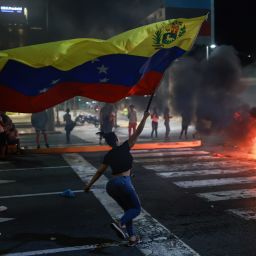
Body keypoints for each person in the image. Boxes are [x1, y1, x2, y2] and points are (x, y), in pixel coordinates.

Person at [84, 111, 150, 246]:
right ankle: (120, 224)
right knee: (136, 209)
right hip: (123, 183)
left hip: (111, 185)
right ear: (117, 140)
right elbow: (138, 131)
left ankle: (132, 237)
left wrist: (89, 185)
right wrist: (145, 117)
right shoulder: (125, 147)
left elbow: (99, 172)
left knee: (128, 210)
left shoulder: (109, 155)